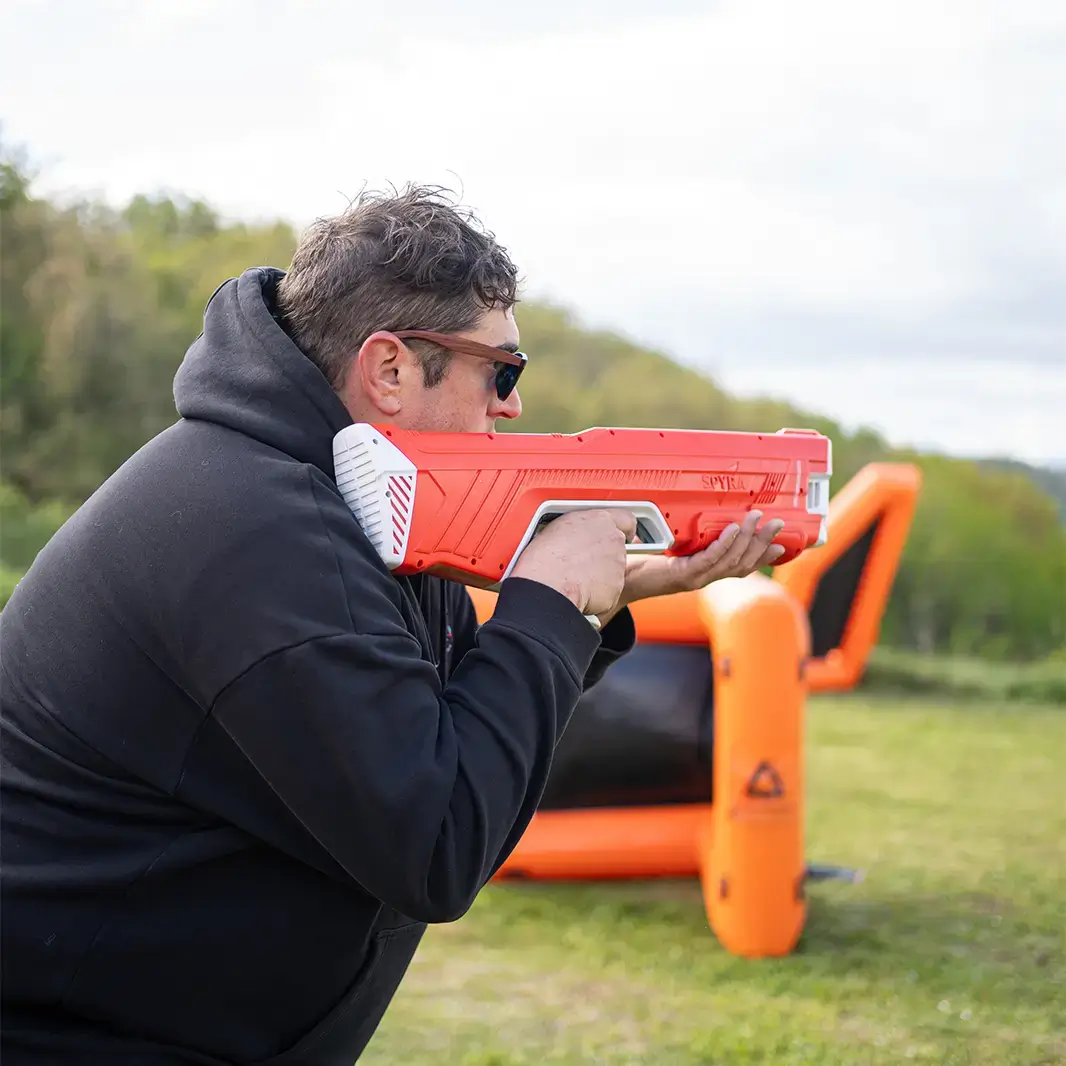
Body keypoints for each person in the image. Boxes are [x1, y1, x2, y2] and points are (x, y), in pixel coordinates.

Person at [0, 186, 786, 1065]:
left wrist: (599, 600)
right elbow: (436, 844)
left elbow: (456, 745)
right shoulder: (261, 529)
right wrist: (549, 604)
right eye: (502, 370)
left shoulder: (347, 509)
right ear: (391, 371)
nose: (511, 406)